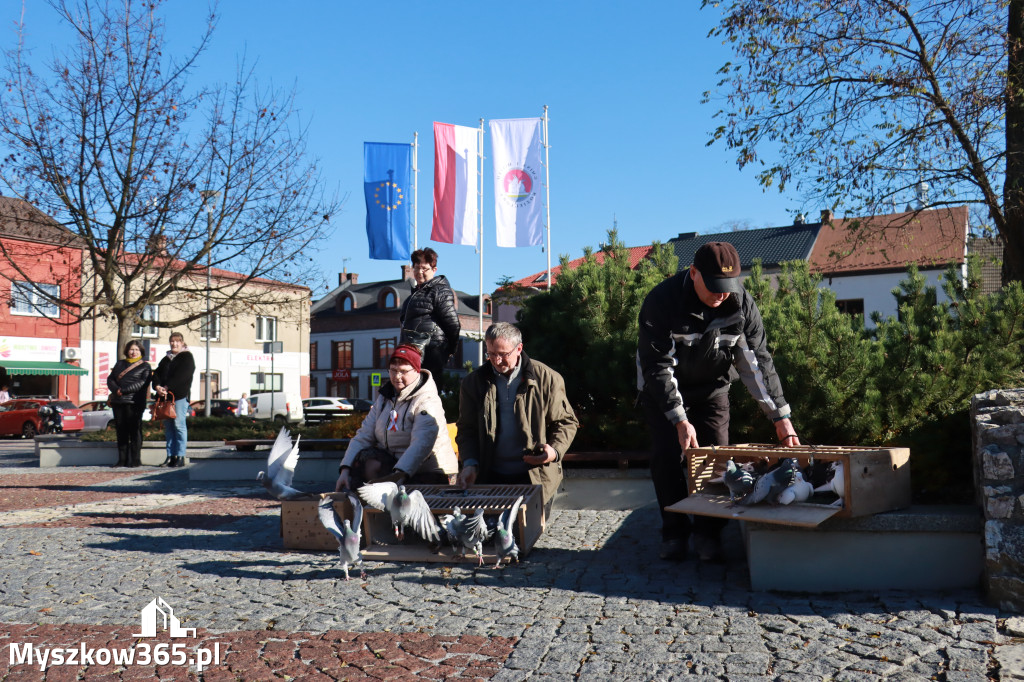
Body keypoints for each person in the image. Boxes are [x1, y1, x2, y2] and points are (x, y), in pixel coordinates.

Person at [636, 241, 800, 563]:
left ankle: (708, 535)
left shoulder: (741, 304)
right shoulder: (662, 301)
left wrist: (781, 418)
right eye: (714, 287)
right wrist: (680, 420)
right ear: (694, 273)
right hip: (662, 392)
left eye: (727, 287)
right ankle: (674, 533)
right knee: (668, 459)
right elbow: (656, 367)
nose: (721, 295)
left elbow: (757, 364)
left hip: (713, 390)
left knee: (717, 459)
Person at [456, 322, 579, 518]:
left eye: (503, 354)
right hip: (490, 476)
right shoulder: (473, 382)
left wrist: (554, 451)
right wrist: (470, 462)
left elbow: (566, 422)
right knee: (492, 541)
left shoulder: (547, 378)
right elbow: (466, 429)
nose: (496, 360)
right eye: (491, 353)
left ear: (519, 348)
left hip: (536, 476)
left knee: (528, 543)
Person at [335, 344, 458, 491]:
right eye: (393, 370)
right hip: (397, 467)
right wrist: (345, 469)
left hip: (430, 471)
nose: (397, 376)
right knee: (364, 458)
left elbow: (421, 444)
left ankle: (381, 508)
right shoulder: (384, 398)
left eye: (404, 371)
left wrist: (397, 478)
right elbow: (363, 435)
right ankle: (361, 509)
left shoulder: (427, 400)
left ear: (417, 371)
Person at [399, 247, 461, 382]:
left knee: (427, 390)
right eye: (416, 268)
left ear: (434, 270)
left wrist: (449, 349)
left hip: (431, 352)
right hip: (414, 352)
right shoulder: (415, 294)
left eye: (424, 268)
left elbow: (452, 323)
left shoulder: (440, 290)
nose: (419, 272)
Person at [152, 331, 196, 467]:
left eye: (177, 341)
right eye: (172, 341)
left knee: (179, 425)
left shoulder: (186, 358)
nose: (174, 344)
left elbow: (183, 376)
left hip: (179, 397)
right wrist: (157, 386)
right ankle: (171, 456)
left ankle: (181, 456)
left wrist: (167, 387)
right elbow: (157, 373)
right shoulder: (166, 359)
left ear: (182, 343)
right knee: (169, 427)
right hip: (165, 397)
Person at [107, 340, 152, 467]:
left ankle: (135, 460)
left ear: (141, 352)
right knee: (121, 431)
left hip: (134, 402)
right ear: (127, 350)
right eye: (132, 349)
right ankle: (122, 459)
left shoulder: (145, 366)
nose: (134, 352)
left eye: (137, 350)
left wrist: (124, 390)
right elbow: (110, 379)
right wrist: (116, 390)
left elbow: (143, 383)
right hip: (118, 401)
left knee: (135, 431)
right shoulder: (120, 364)